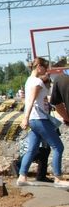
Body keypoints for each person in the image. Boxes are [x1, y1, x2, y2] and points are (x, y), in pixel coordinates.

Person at [18, 58, 67, 187]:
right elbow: (31, 101)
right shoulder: (37, 81)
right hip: (39, 118)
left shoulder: (29, 81)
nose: (46, 70)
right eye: (45, 67)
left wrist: (27, 117)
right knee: (58, 147)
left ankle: (22, 177)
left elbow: (29, 100)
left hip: (35, 119)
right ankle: (58, 178)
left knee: (32, 150)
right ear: (39, 66)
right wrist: (25, 117)